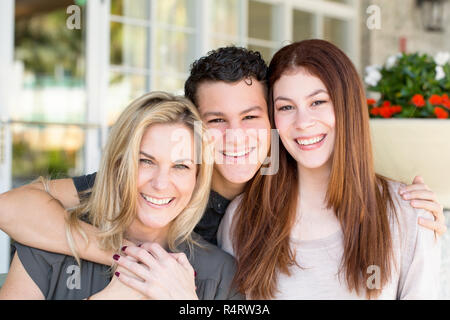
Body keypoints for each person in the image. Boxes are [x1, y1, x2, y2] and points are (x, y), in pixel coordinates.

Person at [0, 47, 445, 297]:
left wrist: (416, 208)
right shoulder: (161, 179)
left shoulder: (267, 201)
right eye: (216, 121)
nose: (235, 137)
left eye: (251, 117)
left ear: (270, 120)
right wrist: (127, 256)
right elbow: (13, 208)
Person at [217, 39, 443, 299]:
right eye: (286, 107)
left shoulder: (408, 214)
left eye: (318, 102)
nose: (303, 122)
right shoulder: (243, 218)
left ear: (347, 106)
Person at [0, 91, 243, 300]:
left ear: (197, 178)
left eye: (181, 166)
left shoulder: (221, 274)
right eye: (145, 161)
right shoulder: (45, 243)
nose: (160, 183)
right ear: (118, 166)